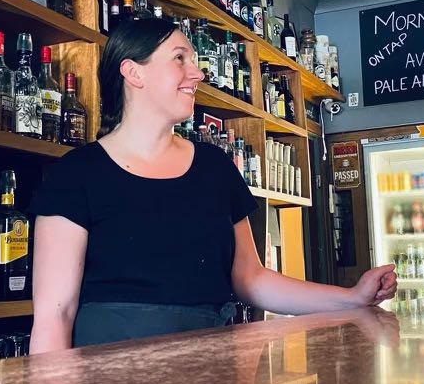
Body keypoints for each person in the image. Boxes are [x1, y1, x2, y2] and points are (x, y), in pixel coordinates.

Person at [28, 18, 397, 352]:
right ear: (133, 73)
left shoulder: (215, 168)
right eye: (180, 58)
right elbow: (55, 315)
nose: (197, 74)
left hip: (211, 367)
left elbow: (252, 280)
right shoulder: (76, 174)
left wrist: (352, 296)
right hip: (110, 379)